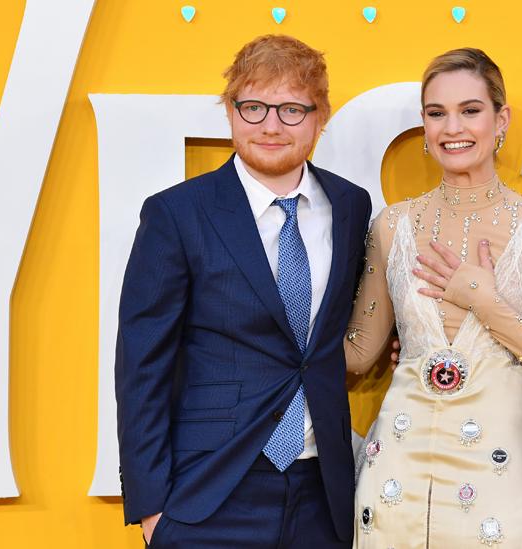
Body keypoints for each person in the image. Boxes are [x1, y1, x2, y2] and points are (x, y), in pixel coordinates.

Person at [115, 35, 371, 548]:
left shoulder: (350, 206)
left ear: (320, 116)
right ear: (230, 112)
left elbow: (336, 334)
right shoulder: (178, 214)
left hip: (323, 491)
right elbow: (142, 365)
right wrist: (151, 508)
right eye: (253, 107)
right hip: (208, 492)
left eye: (292, 109)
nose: (271, 126)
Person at [344, 48, 522, 548]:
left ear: (502, 119)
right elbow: (358, 354)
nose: (452, 127)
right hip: (397, 482)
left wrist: (485, 302)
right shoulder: (392, 226)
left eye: (470, 110)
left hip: (498, 480)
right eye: (437, 113)